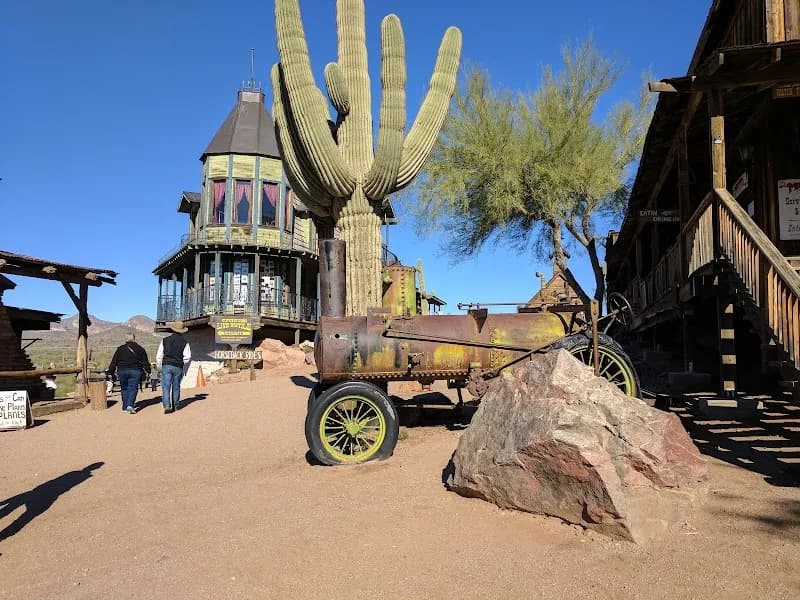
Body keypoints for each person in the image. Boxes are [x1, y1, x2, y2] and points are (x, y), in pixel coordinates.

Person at [107, 332, 150, 414]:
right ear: (134, 339)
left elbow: (114, 361)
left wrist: (110, 371)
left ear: (126, 339)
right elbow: (145, 362)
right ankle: (130, 405)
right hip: (135, 371)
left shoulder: (120, 349)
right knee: (133, 388)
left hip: (122, 371)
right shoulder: (140, 349)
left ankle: (125, 407)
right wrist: (148, 370)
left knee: (124, 388)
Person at [156, 321, 191, 414]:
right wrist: (181, 362)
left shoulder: (164, 340)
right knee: (176, 386)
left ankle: (167, 405)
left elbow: (159, 355)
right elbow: (187, 357)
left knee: (166, 386)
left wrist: (160, 366)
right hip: (178, 366)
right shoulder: (185, 343)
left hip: (166, 365)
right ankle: (176, 405)